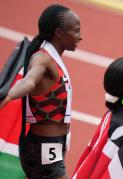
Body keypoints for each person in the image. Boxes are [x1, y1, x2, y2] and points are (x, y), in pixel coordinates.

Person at [0, 4, 81, 179]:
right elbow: (29, 81)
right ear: (59, 32)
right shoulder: (42, 59)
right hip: (44, 149)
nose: (80, 37)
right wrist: (8, 96)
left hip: (49, 147)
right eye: (76, 31)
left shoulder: (51, 57)